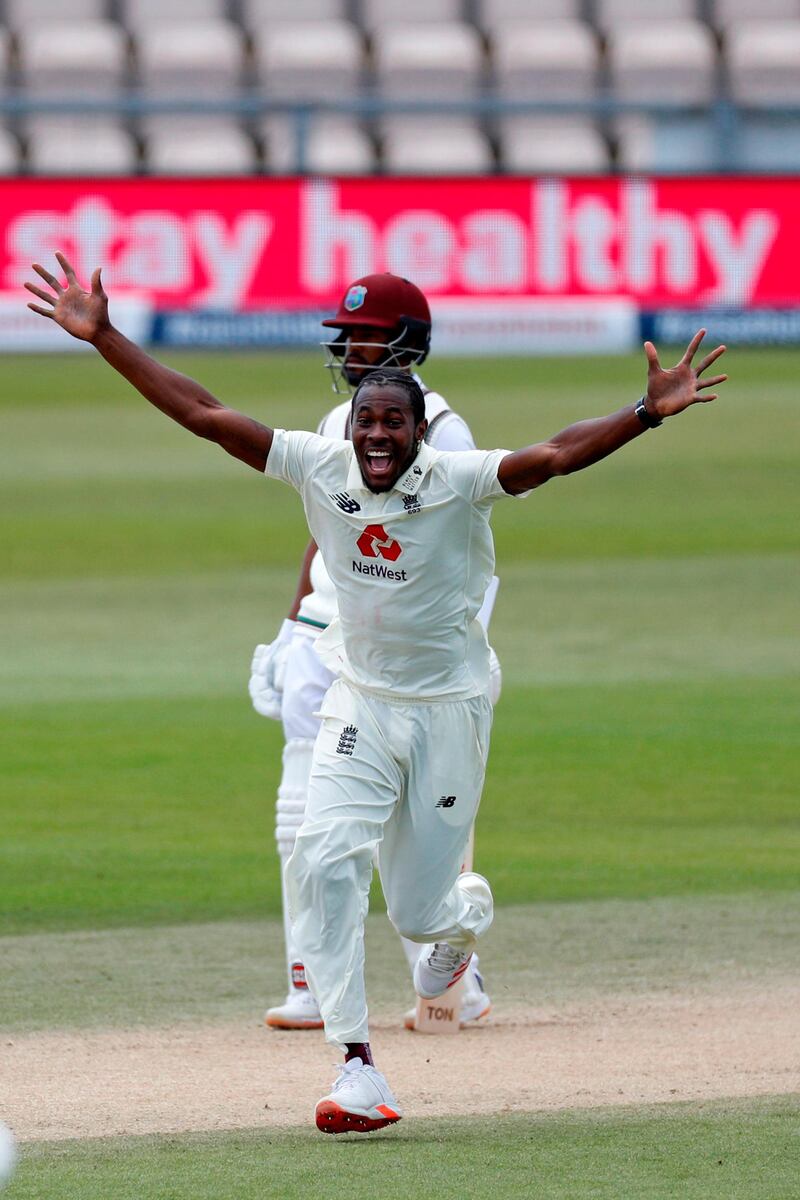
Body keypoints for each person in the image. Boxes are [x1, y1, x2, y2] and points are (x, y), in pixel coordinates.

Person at [25, 253, 727, 1136]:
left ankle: (461, 929)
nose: (379, 437)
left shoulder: (458, 474)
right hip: (360, 699)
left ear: (420, 430)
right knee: (324, 856)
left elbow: (551, 456)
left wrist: (643, 415)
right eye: (368, 423)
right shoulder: (321, 462)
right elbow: (203, 413)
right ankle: (356, 1069)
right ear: (350, 429)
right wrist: (106, 337)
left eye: (396, 423)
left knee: (424, 911)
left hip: (449, 708)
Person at [248, 272, 497, 1032]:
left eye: (364, 333)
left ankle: (461, 972)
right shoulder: (339, 418)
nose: (347, 346)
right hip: (333, 634)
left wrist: (451, 658)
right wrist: (293, 626)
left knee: (409, 839)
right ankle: (310, 982)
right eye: (345, 333)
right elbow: (329, 527)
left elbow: (452, 550)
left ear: (407, 343)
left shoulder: (441, 431)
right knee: (307, 814)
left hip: (416, 662)